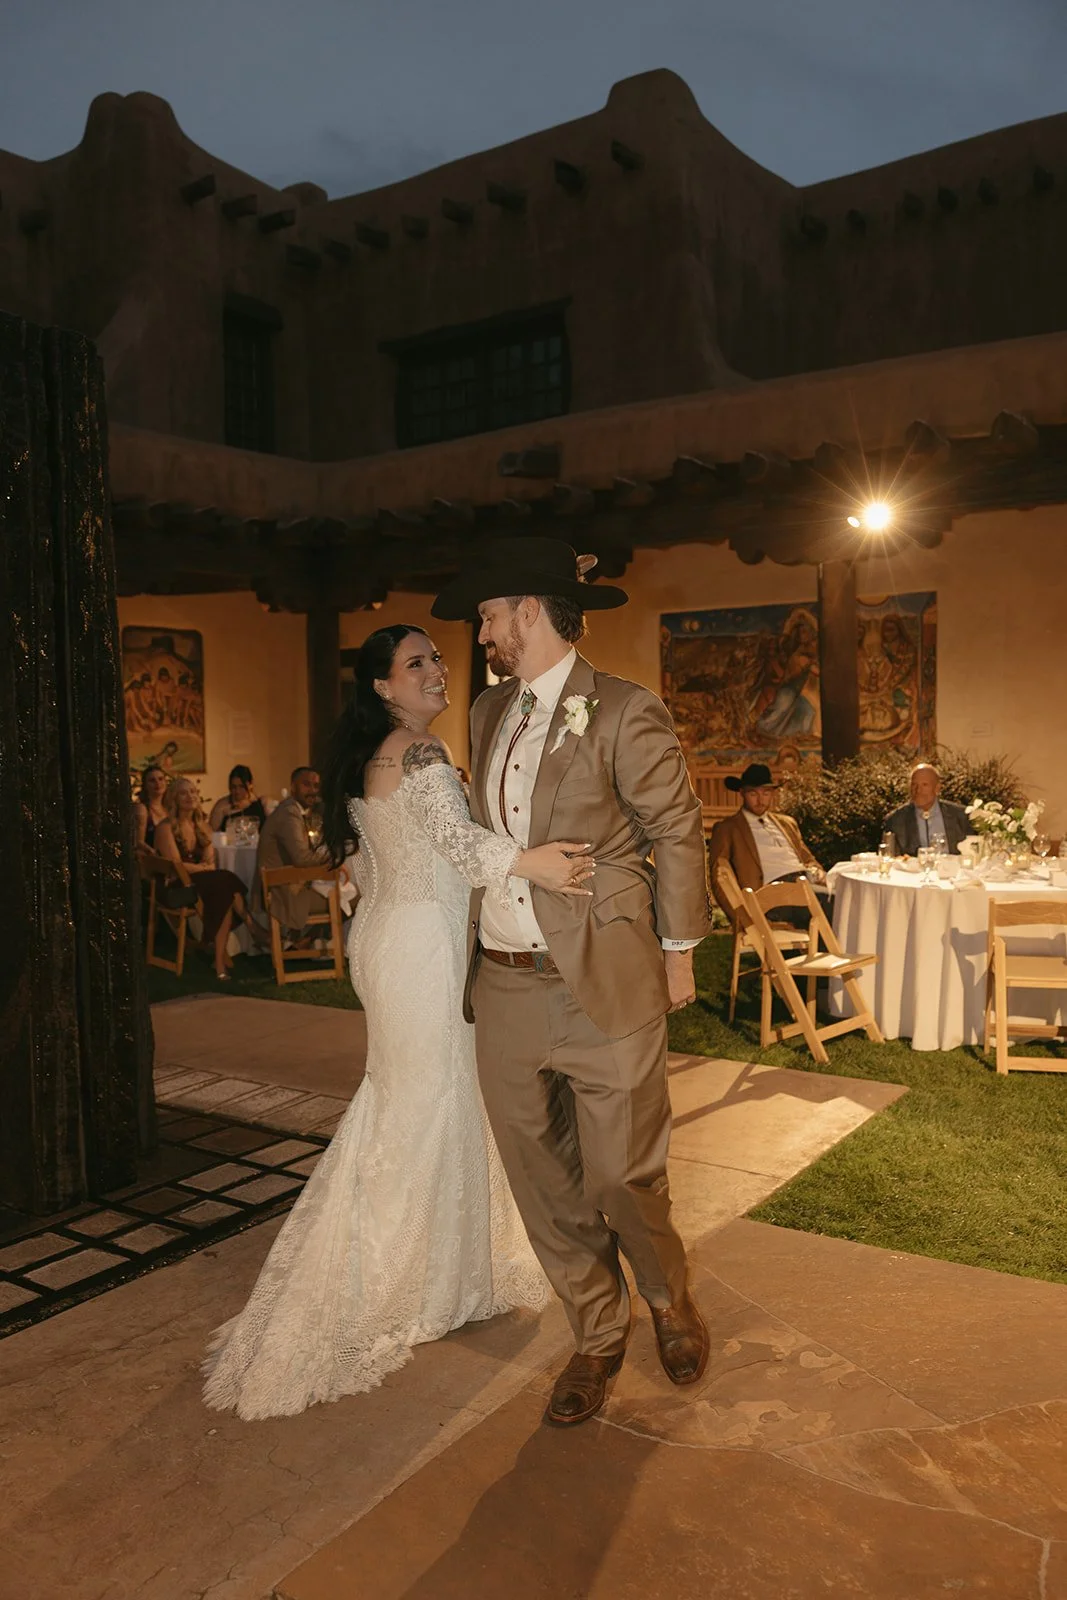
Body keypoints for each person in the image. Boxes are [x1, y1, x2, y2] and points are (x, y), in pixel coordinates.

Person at [203, 624, 593, 1419]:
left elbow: (371, 859)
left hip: (391, 941)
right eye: (416, 663)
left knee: (420, 1103)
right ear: (382, 684)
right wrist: (537, 862)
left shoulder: (375, 750)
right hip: (420, 949)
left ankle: (444, 1274)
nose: (437, 670)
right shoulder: (415, 752)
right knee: (424, 1108)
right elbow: (457, 843)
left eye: (436, 658)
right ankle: (388, 1283)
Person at [430, 538, 713, 1428]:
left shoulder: (625, 710)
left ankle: (667, 1301)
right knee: (542, 1180)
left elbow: (675, 831)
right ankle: (595, 1332)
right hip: (506, 983)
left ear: (529, 609)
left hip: (607, 979)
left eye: (487, 615)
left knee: (622, 1174)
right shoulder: (483, 712)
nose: (479, 633)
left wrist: (677, 951)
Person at [154, 777, 255, 980]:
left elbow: (210, 860)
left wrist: (202, 868)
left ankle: (219, 962)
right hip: (177, 886)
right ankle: (253, 929)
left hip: (200, 882)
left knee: (223, 890)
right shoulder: (165, 828)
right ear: (173, 798)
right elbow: (176, 865)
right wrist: (202, 868)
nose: (190, 796)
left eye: (192, 791)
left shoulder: (203, 826)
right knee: (225, 882)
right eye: (183, 793)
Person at [708, 762, 827, 923]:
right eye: (753, 794)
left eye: (765, 793)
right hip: (768, 895)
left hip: (804, 884)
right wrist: (741, 919)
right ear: (742, 793)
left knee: (842, 899)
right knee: (830, 902)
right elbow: (718, 877)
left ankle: (815, 948)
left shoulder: (787, 823)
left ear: (772, 794)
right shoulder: (728, 828)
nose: (760, 800)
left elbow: (808, 859)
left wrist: (817, 871)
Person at [253, 767, 329, 936]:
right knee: (355, 899)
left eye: (316, 786)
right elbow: (301, 858)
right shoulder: (289, 813)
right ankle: (309, 941)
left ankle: (304, 941)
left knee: (341, 894)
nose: (312, 791)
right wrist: (333, 857)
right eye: (306, 785)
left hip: (288, 885)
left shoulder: (297, 811)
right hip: (284, 894)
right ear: (293, 787)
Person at [883, 762, 971, 856]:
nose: (918, 790)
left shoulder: (962, 816)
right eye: (914, 785)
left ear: (937, 788)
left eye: (924, 785)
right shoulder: (895, 821)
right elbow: (891, 858)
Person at [208, 765, 267, 833]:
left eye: (241, 786)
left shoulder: (262, 802)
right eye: (234, 787)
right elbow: (210, 834)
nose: (237, 791)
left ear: (250, 785)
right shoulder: (222, 807)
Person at [132, 764, 169, 850]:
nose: (158, 783)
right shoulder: (142, 809)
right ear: (145, 786)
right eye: (152, 780)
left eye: (160, 779)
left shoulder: (169, 808)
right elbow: (138, 843)